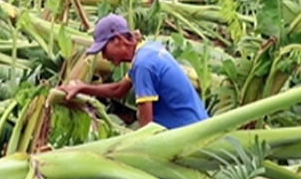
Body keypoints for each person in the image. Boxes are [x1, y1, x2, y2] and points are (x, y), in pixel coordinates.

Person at [58, 13, 208, 130]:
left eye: (104, 49)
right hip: (199, 124)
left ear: (118, 40)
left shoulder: (142, 65)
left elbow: (146, 130)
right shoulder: (148, 49)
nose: (103, 56)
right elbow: (119, 89)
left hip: (188, 134)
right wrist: (82, 88)